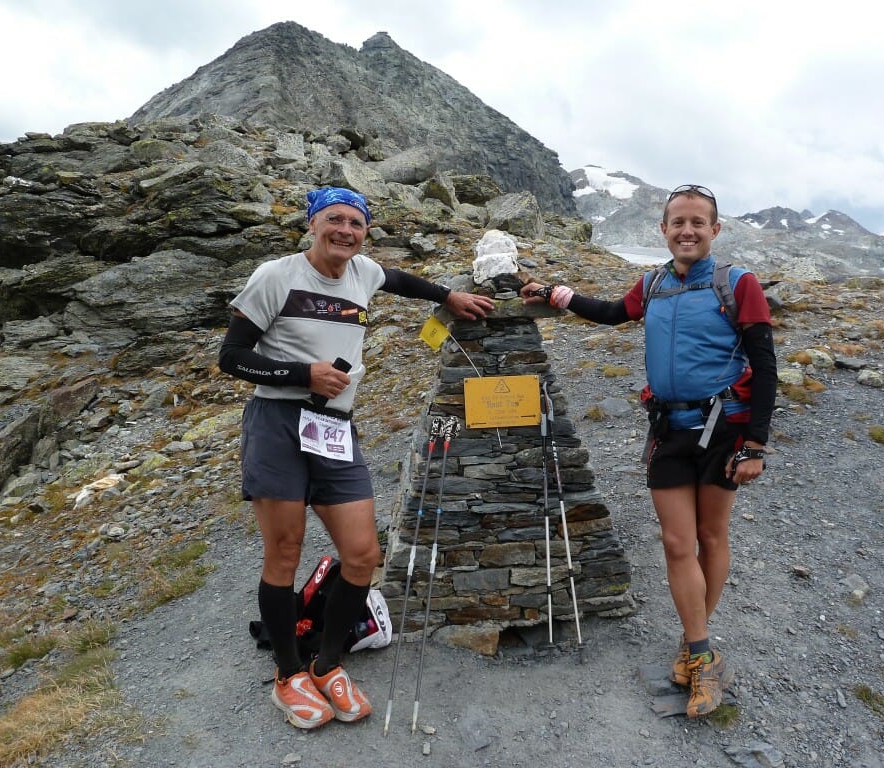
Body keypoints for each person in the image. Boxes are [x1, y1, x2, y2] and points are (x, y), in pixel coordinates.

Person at [219, 186, 494, 730]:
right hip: (277, 422)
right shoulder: (276, 276)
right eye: (335, 220)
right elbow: (231, 357)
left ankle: (328, 665)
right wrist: (303, 374)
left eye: (357, 223)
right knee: (285, 549)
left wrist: (449, 298)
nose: (346, 230)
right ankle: (288, 675)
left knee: (362, 553)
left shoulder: (363, 272)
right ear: (313, 223)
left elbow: (401, 281)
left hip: (334, 426)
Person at [520, 184, 776, 718]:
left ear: (715, 229)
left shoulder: (737, 284)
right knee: (677, 541)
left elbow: (765, 366)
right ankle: (701, 650)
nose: (687, 231)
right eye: (677, 222)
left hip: (723, 429)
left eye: (697, 223)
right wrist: (555, 295)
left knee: (710, 535)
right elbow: (614, 313)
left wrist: (755, 445)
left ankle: (694, 649)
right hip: (667, 430)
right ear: (663, 229)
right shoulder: (654, 282)